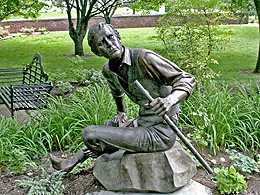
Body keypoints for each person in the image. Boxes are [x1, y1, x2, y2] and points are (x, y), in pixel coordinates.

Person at [50, 22, 196, 172]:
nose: (109, 44)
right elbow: (117, 92)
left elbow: (186, 79)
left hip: (160, 132)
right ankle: (74, 160)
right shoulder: (109, 70)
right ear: (97, 52)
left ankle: (76, 161)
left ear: (118, 37)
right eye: (102, 43)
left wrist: (169, 100)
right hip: (143, 122)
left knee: (90, 134)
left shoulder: (144, 58)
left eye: (110, 37)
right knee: (109, 126)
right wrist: (122, 113)